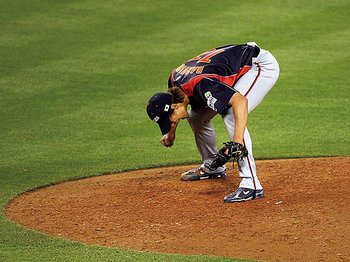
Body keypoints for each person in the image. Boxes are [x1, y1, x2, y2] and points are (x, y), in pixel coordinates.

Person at [146, 42, 279, 203]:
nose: (171, 122)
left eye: (169, 121)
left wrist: (236, 142)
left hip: (257, 66)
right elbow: (180, 108)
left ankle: (251, 184)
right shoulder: (174, 82)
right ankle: (212, 167)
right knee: (196, 117)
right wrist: (171, 131)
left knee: (231, 113)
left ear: (174, 106)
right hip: (235, 66)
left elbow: (240, 101)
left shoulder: (201, 85)